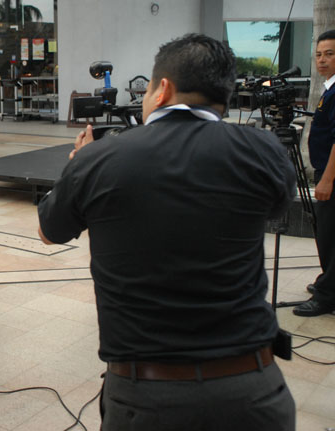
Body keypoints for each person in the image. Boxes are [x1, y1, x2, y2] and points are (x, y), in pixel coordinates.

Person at [37, 34, 296, 431]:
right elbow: (272, 210)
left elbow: (48, 232)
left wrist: (77, 167)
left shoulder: (98, 158)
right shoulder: (263, 150)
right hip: (253, 391)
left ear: (163, 89)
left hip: (147, 398)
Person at [294, 30, 335, 317]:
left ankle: (328, 296)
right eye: (319, 54)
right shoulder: (330, 88)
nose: (322, 60)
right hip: (327, 172)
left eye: (330, 54)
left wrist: (328, 178)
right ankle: (328, 281)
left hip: (331, 175)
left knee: (330, 235)